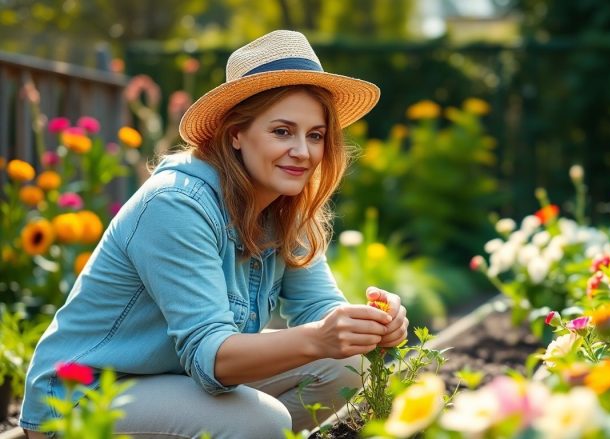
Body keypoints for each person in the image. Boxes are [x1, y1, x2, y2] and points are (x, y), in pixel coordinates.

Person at [20, 30, 408, 438]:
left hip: (176, 385)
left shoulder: (285, 207)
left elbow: (321, 312)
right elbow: (212, 357)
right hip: (82, 398)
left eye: (315, 135)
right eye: (282, 131)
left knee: (349, 365)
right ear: (235, 133)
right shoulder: (176, 204)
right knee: (263, 422)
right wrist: (320, 337)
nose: (303, 151)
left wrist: (370, 326)